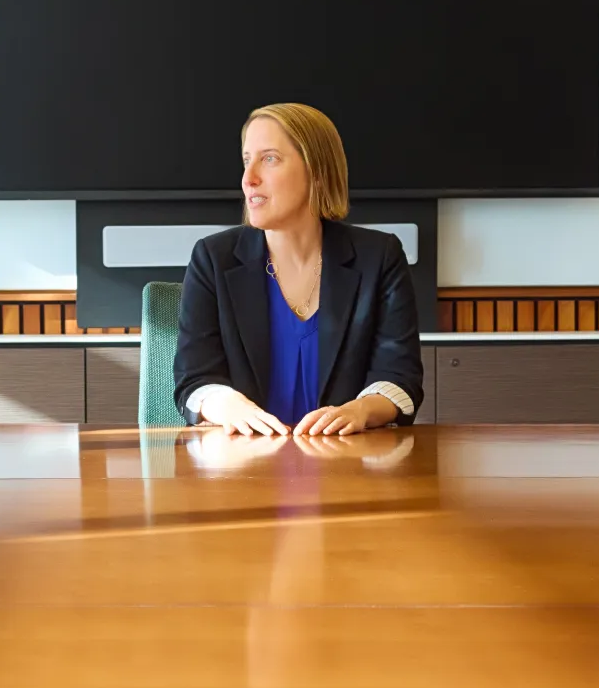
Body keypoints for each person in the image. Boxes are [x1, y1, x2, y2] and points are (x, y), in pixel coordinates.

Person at [173, 102, 423, 437]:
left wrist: (361, 409)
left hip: (347, 469)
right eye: (247, 160)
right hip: (243, 470)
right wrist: (224, 402)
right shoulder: (213, 259)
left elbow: (400, 377)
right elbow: (194, 379)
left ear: (316, 171)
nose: (249, 179)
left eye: (269, 158)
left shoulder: (379, 257)